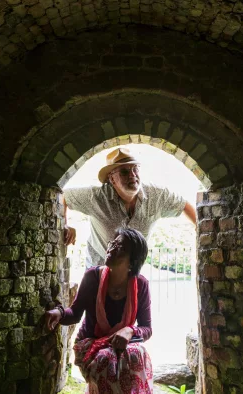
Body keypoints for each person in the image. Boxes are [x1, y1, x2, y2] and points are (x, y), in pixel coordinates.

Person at [45, 228, 153, 393]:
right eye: (113, 243)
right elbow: (75, 314)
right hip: (90, 344)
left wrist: (129, 331)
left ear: (132, 262)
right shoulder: (92, 277)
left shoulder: (141, 285)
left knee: (137, 354)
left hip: (122, 346)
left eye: (121, 248)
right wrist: (59, 313)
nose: (111, 249)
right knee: (106, 360)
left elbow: (147, 328)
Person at [61, 147, 198, 267]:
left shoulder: (157, 196)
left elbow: (184, 205)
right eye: (124, 172)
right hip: (98, 270)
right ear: (112, 179)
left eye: (135, 169)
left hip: (133, 272)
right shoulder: (96, 197)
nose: (132, 175)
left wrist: (201, 233)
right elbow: (63, 197)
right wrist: (65, 224)